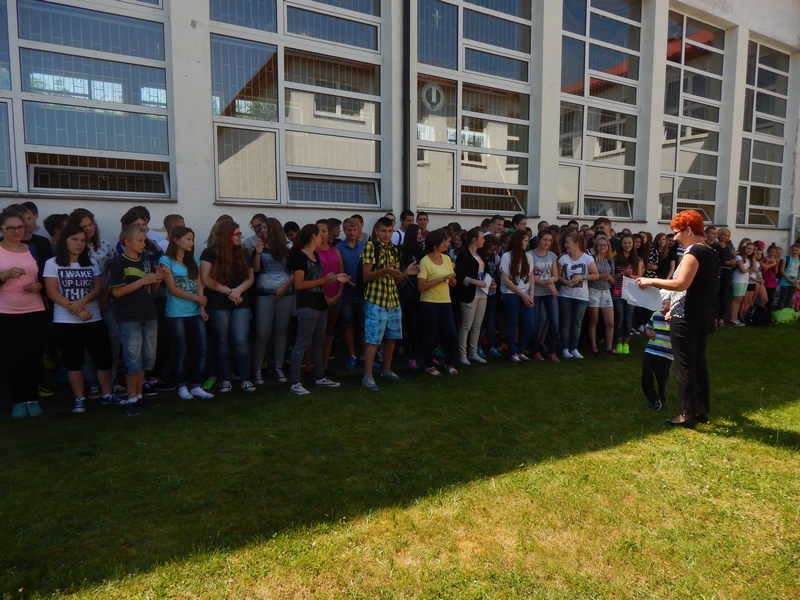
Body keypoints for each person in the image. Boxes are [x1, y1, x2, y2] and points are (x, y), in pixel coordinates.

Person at [637, 210, 718, 428]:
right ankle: (700, 410)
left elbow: (681, 284)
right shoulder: (711, 252)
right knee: (699, 364)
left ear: (688, 230)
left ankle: (686, 414)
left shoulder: (693, 252)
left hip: (687, 317)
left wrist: (650, 281)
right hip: (702, 314)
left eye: (677, 232)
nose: (675, 238)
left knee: (685, 366)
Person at [44, 223, 121, 413]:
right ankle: (80, 398)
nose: (79, 244)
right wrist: (77, 310)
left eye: (82, 240)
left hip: (93, 318)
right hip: (65, 320)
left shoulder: (90, 262)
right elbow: (52, 292)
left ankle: (107, 394)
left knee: (103, 358)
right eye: (74, 239)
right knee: (73, 362)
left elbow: (98, 287)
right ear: (65, 241)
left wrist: (82, 302)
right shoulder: (52, 263)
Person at [107, 224, 165, 416]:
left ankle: (139, 396)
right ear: (127, 241)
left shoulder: (146, 260)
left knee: (147, 358)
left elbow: (152, 290)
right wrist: (144, 280)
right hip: (129, 316)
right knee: (133, 359)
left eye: (144, 240)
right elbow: (117, 292)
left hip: (149, 314)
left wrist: (157, 278)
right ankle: (131, 399)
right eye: (139, 240)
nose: (143, 244)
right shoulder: (118, 263)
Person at [288, 223, 347, 395]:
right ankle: (295, 382)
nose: (323, 237)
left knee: (319, 341)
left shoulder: (315, 255)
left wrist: (335, 277)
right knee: (302, 343)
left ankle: (320, 376)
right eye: (319, 234)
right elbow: (300, 284)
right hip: (307, 305)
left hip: (320, 304)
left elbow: (318, 279)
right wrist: (324, 281)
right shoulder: (299, 256)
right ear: (313, 236)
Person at [360, 216, 418, 390]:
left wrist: (406, 273)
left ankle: (386, 370)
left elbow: (396, 278)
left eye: (390, 231)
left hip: (393, 300)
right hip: (376, 300)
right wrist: (384, 270)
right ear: (376, 231)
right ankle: (367, 376)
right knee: (373, 340)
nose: (386, 234)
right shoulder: (371, 246)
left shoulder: (393, 249)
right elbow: (366, 276)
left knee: (391, 339)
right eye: (383, 231)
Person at [0, 209, 47, 418]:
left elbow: (47, 277)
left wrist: (39, 286)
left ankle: (32, 399)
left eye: (20, 227)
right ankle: (18, 401)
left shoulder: (35, 248)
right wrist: (4, 275)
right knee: (12, 357)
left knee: (33, 355)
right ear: (2, 229)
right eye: (11, 228)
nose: (17, 231)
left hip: (34, 310)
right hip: (5, 311)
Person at [199, 220, 256, 393]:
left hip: (241, 302)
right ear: (226, 236)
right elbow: (206, 279)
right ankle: (225, 378)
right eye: (236, 234)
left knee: (241, 341)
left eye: (240, 233)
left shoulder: (242, 253)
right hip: (218, 303)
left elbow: (250, 277)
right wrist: (229, 291)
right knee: (221, 341)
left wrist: (238, 290)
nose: (239, 237)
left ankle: (246, 378)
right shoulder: (209, 253)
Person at [159, 226, 214, 400]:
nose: (192, 243)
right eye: (188, 239)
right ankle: (182, 385)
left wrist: (202, 307)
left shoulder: (194, 261)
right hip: (176, 312)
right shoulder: (165, 261)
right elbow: (172, 289)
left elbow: (198, 285)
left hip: (195, 312)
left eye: (192, 239)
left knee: (202, 348)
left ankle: (196, 385)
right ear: (176, 240)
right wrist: (198, 299)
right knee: (181, 349)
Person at [251, 217, 294, 384]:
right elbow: (255, 270)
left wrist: (284, 287)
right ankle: (257, 369)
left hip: (286, 293)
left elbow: (295, 272)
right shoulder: (259, 247)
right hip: (264, 293)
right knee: (262, 332)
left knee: (281, 332)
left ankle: (278, 366)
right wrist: (258, 253)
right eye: (260, 228)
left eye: (264, 228)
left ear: (273, 229)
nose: (261, 231)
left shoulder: (288, 248)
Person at [418, 229, 459, 374]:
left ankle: (449, 363)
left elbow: (453, 283)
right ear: (435, 244)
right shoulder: (425, 261)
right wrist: (441, 279)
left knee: (451, 333)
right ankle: (429, 365)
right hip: (429, 302)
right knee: (431, 334)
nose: (448, 244)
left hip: (445, 301)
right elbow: (421, 286)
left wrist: (451, 280)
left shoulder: (446, 259)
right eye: (445, 242)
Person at [557, 232, 599, 359]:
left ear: (576, 244)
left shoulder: (587, 258)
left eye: (568, 242)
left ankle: (574, 348)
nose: (565, 245)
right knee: (566, 323)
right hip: (565, 295)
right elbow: (557, 276)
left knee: (577, 323)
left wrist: (583, 277)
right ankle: (565, 348)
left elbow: (595, 274)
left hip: (581, 296)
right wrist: (566, 282)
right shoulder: (563, 259)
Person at [455, 227, 491, 365]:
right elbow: (460, 276)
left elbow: (486, 271)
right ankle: (462, 353)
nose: (484, 240)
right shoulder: (463, 255)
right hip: (469, 294)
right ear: (474, 239)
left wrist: (490, 282)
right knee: (466, 325)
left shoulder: (481, 254)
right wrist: (475, 282)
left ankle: (473, 352)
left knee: (477, 325)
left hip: (482, 293)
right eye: (482, 238)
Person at [499, 229, 535, 364]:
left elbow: (531, 276)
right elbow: (506, 280)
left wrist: (531, 294)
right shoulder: (506, 256)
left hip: (526, 294)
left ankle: (521, 351)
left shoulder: (528, 257)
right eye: (525, 241)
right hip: (511, 294)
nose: (527, 243)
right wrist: (522, 295)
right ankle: (513, 352)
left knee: (530, 325)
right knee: (512, 323)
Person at [314, 219, 344, 376]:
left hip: (335, 297)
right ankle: (310, 367)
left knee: (329, 331)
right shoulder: (313, 252)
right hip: (319, 297)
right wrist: (324, 296)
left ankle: (325, 366)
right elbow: (312, 277)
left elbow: (341, 274)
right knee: (314, 334)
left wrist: (339, 293)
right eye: (318, 231)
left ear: (329, 233)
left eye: (324, 231)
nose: (321, 234)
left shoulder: (336, 251)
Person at [338, 218, 366, 370]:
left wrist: (360, 285)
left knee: (364, 324)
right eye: (349, 230)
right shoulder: (338, 248)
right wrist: (350, 283)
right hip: (346, 292)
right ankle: (352, 355)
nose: (352, 233)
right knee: (347, 324)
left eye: (355, 230)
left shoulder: (365, 247)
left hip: (362, 292)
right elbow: (338, 270)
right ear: (344, 230)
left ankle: (364, 355)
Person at [529, 229, 560, 362]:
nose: (547, 242)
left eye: (549, 240)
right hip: (536, 292)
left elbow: (556, 276)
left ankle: (552, 352)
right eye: (545, 240)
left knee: (554, 323)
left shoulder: (552, 255)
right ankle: (535, 351)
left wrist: (551, 281)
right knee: (535, 323)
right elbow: (531, 276)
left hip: (549, 293)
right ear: (539, 240)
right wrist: (547, 284)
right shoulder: (530, 255)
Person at [611, 234, 642, 354]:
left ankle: (626, 342)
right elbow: (612, 277)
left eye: (629, 243)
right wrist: (622, 274)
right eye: (625, 243)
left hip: (631, 292)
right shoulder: (615, 258)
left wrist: (631, 276)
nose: (627, 245)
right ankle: (618, 342)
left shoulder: (637, 259)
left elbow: (640, 277)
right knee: (619, 318)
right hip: (617, 291)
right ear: (621, 244)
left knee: (628, 319)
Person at [642, 291, 673, 411]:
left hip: (666, 353)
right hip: (651, 350)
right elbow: (648, 327)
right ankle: (653, 398)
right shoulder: (655, 314)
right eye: (662, 303)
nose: (663, 306)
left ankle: (662, 397)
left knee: (662, 378)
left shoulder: (675, 317)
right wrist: (649, 332)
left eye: (666, 303)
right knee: (646, 373)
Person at [399, 224, 424, 369]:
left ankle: (412, 347)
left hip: (417, 287)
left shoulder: (421, 250)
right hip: (404, 287)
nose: (420, 236)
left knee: (414, 320)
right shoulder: (402, 250)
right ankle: (401, 346)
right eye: (418, 233)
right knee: (404, 319)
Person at [587, 235, 616, 355]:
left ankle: (609, 347)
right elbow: (589, 275)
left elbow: (613, 279)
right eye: (600, 245)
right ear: (596, 247)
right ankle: (593, 345)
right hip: (593, 290)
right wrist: (600, 276)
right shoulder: (592, 259)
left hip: (606, 292)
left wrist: (609, 278)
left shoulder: (610, 260)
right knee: (594, 320)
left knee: (610, 322)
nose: (603, 247)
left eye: (605, 245)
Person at [713, 228, 736, 326]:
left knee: (724, 295)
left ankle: (721, 317)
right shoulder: (715, 246)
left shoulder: (729, 246)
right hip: (719, 272)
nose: (726, 237)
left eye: (727, 236)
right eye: (724, 235)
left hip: (728, 272)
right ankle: (714, 317)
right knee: (716, 295)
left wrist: (733, 259)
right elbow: (715, 260)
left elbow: (733, 257)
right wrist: (726, 262)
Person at [728, 240, 754, 326]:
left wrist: (753, 259)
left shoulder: (749, 259)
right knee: (736, 299)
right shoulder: (739, 257)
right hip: (738, 280)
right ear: (744, 248)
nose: (750, 250)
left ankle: (736, 318)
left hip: (745, 281)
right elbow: (743, 270)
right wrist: (749, 270)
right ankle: (732, 318)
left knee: (740, 300)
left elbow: (754, 269)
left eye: (752, 249)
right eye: (748, 248)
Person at [776, 244, 800, 309]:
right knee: (783, 297)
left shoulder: (799, 259)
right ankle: (780, 311)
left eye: (796, 250)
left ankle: (786, 311)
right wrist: (788, 280)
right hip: (785, 281)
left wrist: (798, 280)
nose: (794, 252)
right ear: (790, 250)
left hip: (794, 282)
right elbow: (782, 271)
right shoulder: (786, 258)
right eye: (793, 250)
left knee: (789, 298)